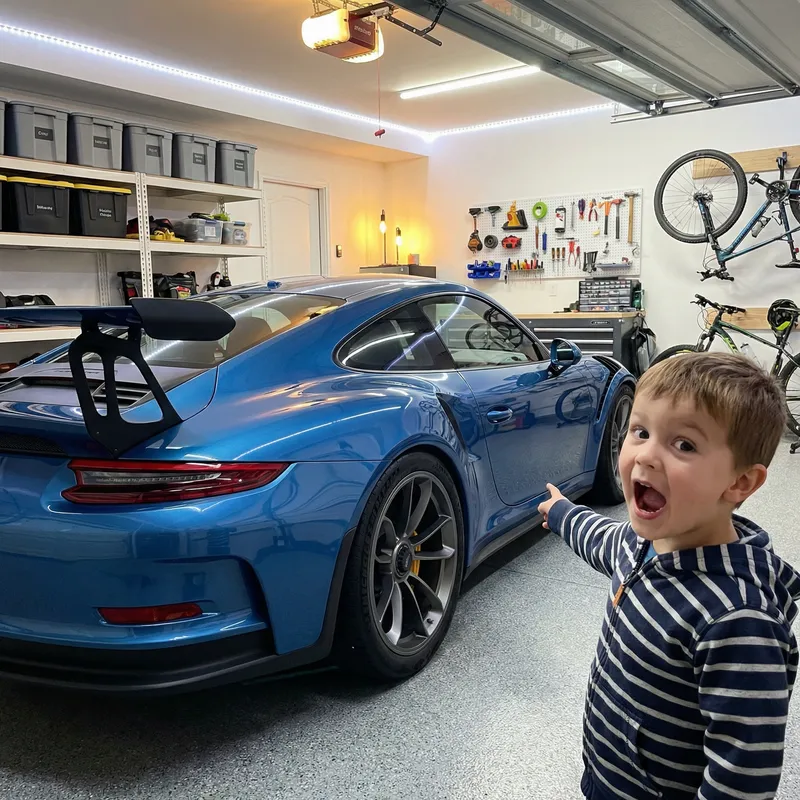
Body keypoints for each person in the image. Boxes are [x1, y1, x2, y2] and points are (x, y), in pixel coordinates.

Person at [538, 351, 800, 800]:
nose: (646, 456)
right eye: (640, 431)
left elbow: (741, 778)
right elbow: (601, 539)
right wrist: (562, 513)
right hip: (608, 774)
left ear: (740, 482)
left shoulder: (737, 622)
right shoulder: (643, 542)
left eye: (684, 445)